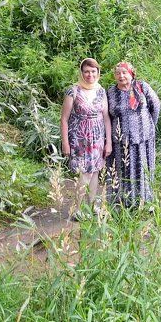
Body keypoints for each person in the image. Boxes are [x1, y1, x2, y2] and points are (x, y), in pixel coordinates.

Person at [60, 58, 111, 217]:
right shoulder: (73, 91)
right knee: (84, 172)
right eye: (86, 71)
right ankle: (77, 209)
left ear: (98, 73)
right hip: (79, 138)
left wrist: (108, 141)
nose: (90, 74)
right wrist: (65, 143)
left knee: (95, 171)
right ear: (81, 73)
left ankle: (92, 206)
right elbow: (64, 119)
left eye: (93, 71)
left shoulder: (101, 90)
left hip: (97, 137)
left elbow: (106, 117)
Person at [106, 61, 161, 207]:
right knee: (121, 170)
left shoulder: (142, 87)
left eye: (124, 72)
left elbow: (155, 106)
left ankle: (144, 201)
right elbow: (107, 116)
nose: (121, 76)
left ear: (131, 74)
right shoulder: (110, 92)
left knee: (142, 169)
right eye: (118, 73)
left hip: (143, 139)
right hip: (120, 140)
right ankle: (121, 202)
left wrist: (149, 126)